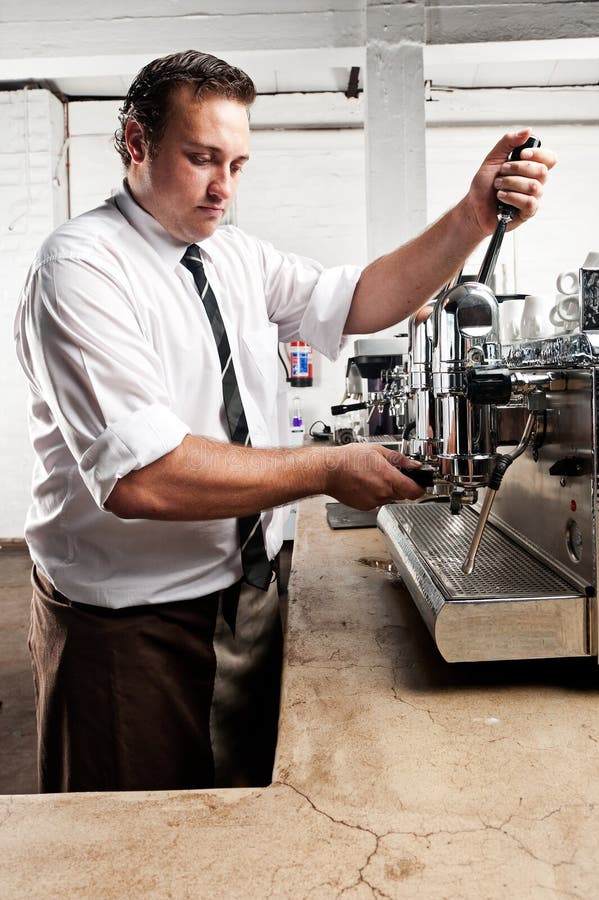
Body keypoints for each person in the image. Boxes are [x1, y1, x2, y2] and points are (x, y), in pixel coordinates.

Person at [14, 50, 556, 794]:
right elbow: (144, 478)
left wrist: (470, 216)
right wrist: (326, 468)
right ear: (136, 143)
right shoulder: (80, 269)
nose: (222, 189)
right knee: (132, 842)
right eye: (201, 159)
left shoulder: (232, 254)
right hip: (133, 627)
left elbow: (360, 299)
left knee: (240, 821)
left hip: (246, 593)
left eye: (237, 164)